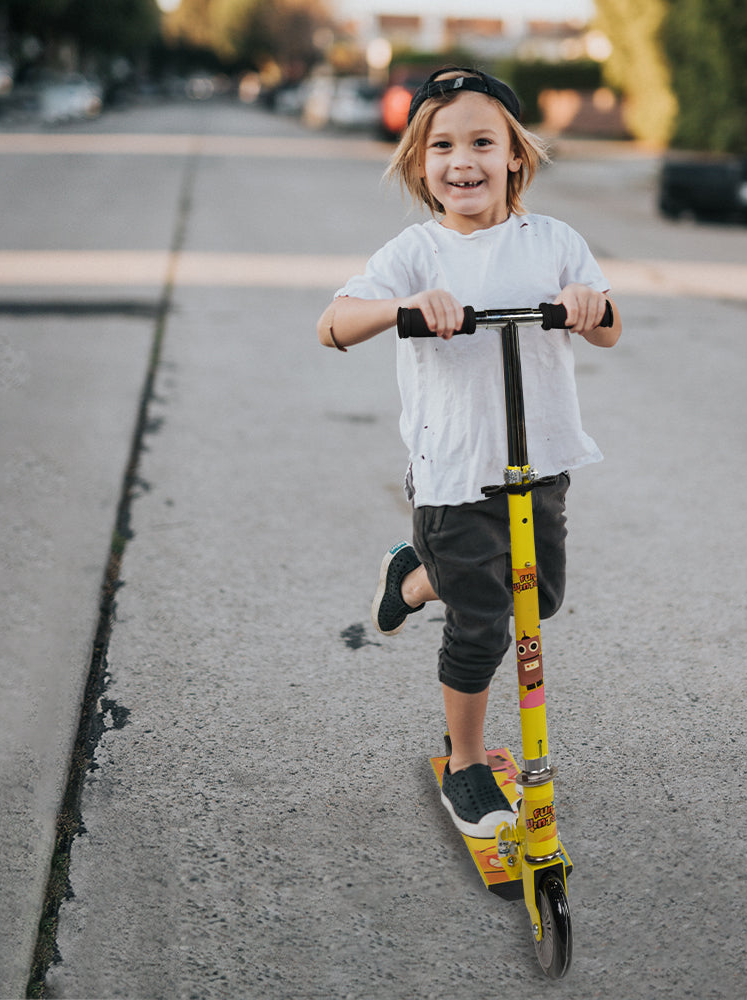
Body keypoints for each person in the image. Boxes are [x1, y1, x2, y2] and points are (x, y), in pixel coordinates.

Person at [317, 67, 621, 839]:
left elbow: (611, 324)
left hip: (539, 458)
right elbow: (333, 323)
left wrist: (590, 307)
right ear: (421, 163)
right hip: (454, 468)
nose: (464, 161)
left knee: (537, 602)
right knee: (486, 622)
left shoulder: (553, 241)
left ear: (516, 155)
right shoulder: (415, 253)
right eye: (443, 145)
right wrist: (403, 307)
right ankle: (465, 762)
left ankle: (416, 578)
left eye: (483, 142)